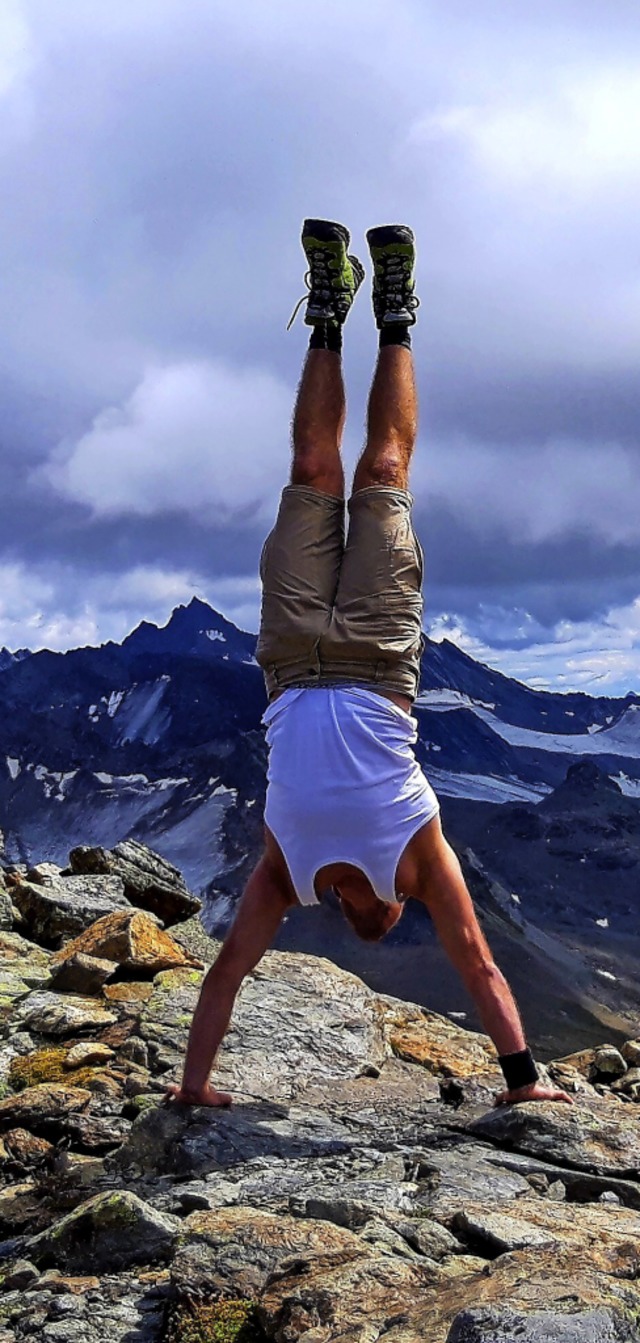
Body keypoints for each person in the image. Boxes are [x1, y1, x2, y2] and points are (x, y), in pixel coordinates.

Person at [167, 219, 573, 1110]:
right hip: (380, 659)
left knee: (313, 466)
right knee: (384, 468)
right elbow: (477, 958)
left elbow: (228, 969)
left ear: (362, 916)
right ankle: (395, 311)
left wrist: (194, 1087)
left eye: (381, 927)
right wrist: (523, 1080)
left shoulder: (289, 872)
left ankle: (326, 306)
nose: (387, 926)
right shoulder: (417, 863)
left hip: (288, 656)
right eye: (391, 925)